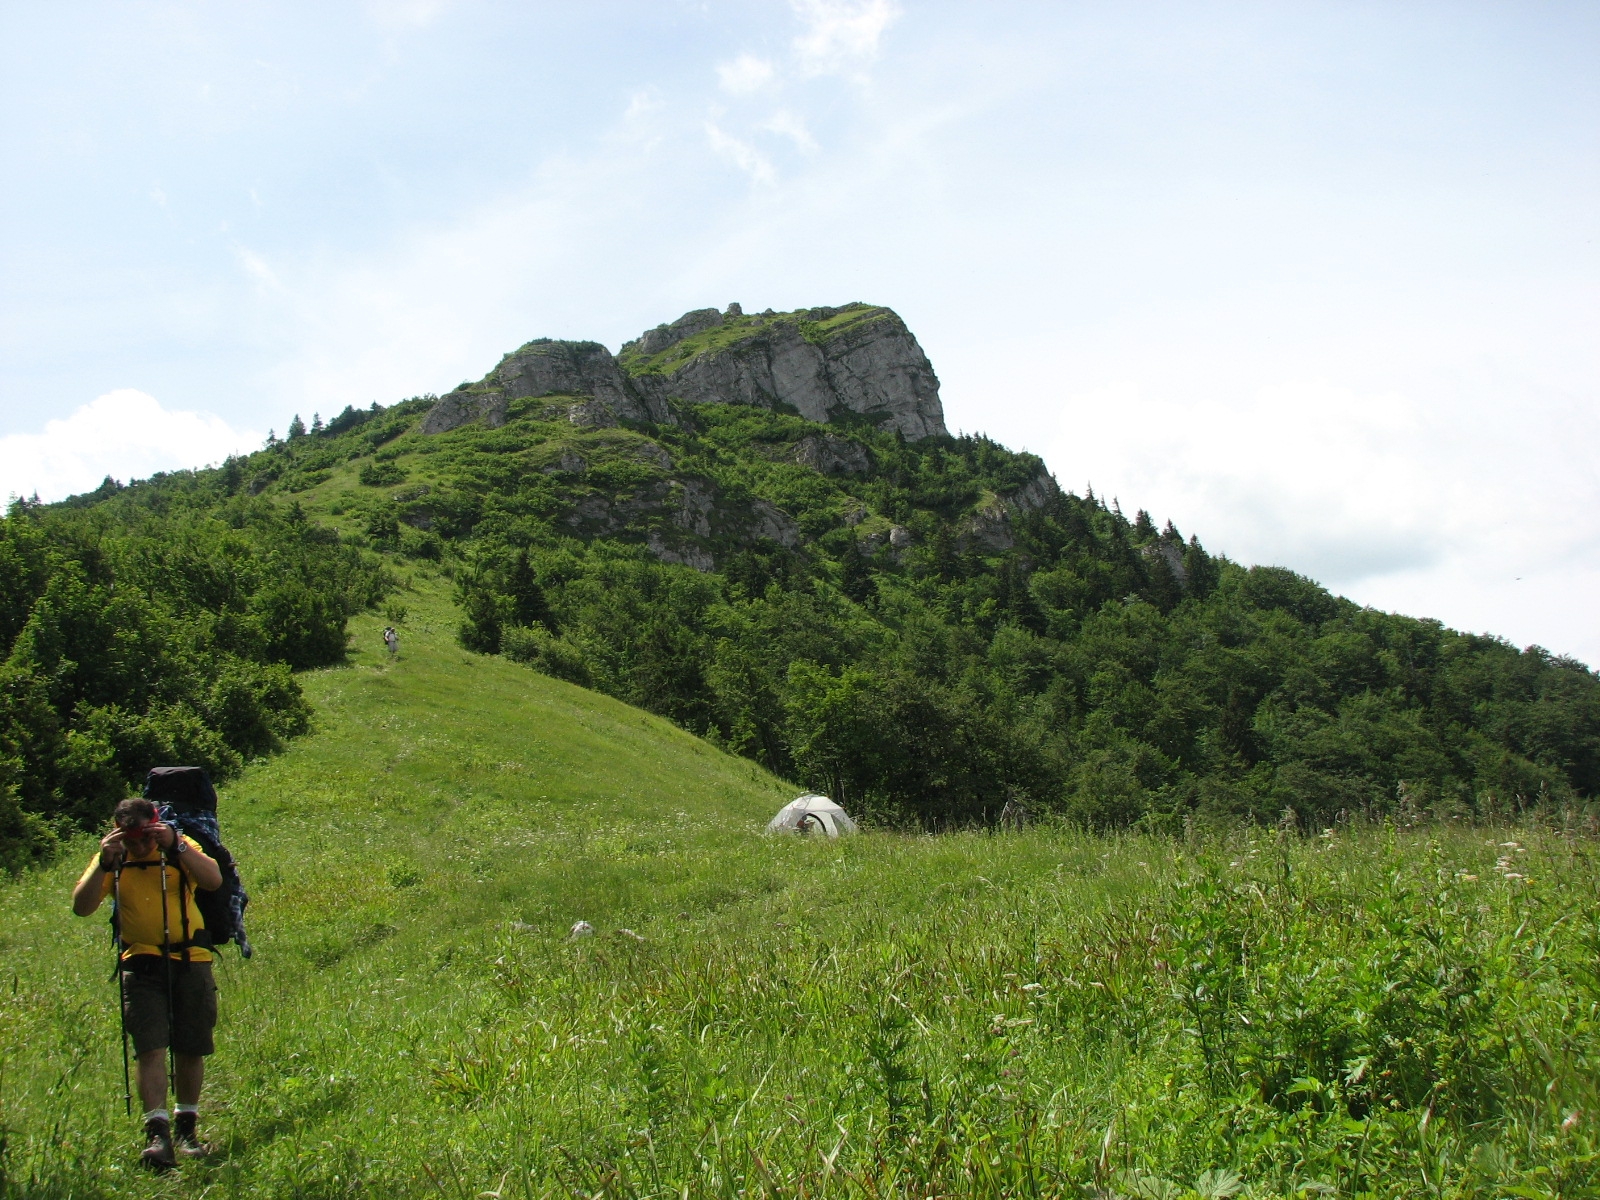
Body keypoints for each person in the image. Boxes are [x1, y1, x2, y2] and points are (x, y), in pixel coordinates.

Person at [72, 797, 223, 1172]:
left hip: (190, 958)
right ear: (119, 834)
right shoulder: (112, 858)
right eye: (131, 839)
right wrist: (104, 862)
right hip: (140, 964)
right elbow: (82, 906)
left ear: (154, 827)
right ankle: (158, 1136)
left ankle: (187, 1129)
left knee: (191, 1046)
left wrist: (177, 845)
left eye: (144, 838)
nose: (139, 846)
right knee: (149, 1047)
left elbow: (213, 879)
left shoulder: (177, 846)